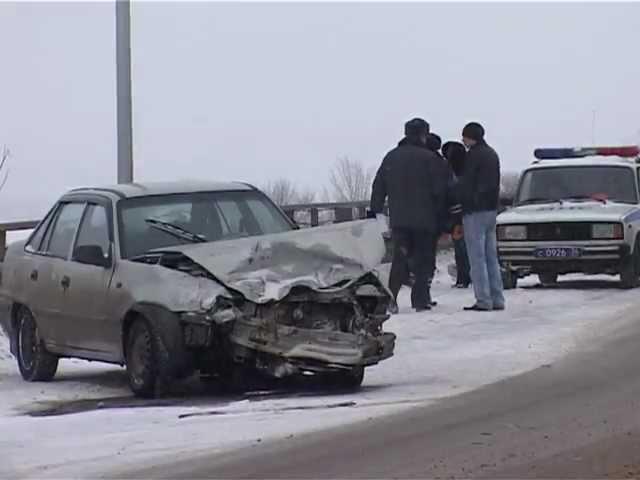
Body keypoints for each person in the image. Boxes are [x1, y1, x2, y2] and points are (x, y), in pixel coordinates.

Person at [370, 118, 449, 313]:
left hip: (399, 219)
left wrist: (375, 210)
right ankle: (420, 299)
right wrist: (444, 221)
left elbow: (378, 185)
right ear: (424, 134)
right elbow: (441, 192)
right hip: (425, 220)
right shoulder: (430, 158)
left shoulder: (391, 157)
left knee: (400, 258)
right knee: (424, 259)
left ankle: (391, 299)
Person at [459, 122, 505, 311]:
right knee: (491, 256)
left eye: (464, 137)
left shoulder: (473, 156)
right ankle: (498, 298)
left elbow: (467, 183)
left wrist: (463, 202)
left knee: (477, 258)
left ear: (472, 137)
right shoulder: (492, 154)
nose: (462, 140)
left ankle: (483, 300)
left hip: (475, 211)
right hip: (491, 210)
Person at [442, 141, 471, 288]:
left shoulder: (451, 173)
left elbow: (451, 194)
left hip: (457, 213)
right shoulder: (469, 169)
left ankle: (463, 277)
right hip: (469, 212)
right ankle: (467, 276)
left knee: (461, 247)